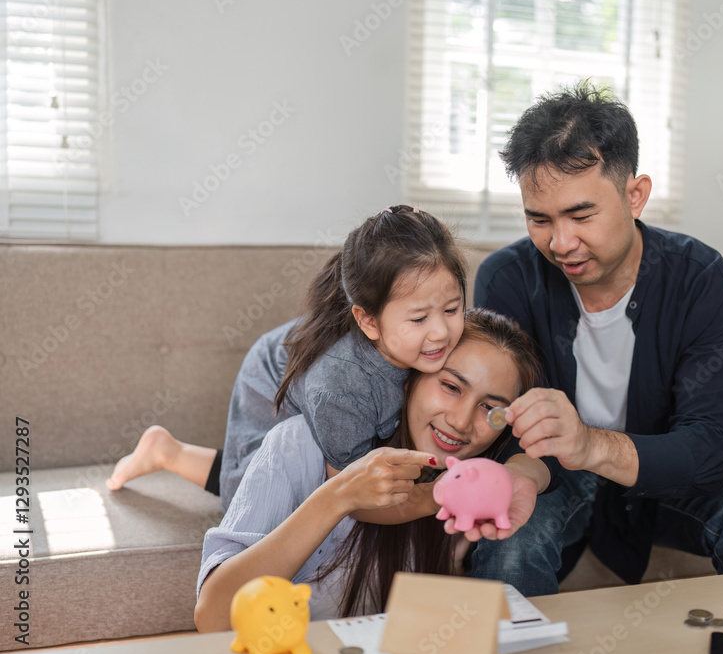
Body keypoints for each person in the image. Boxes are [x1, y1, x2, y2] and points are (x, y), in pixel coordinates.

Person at [468, 82, 723, 595]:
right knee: (509, 539)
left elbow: (711, 448)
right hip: (550, 471)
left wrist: (591, 446)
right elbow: (503, 421)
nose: (560, 243)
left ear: (635, 196)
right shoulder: (508, 279)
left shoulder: (706, 284)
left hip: (661, 466)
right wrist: (522, 473)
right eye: (539, 220)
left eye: (581, 215)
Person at [194, 308, 544, 631]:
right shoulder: (300, 444)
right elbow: (214, 618)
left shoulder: (473, 493)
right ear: (409, 377)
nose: (461, 421)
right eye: (451, 387)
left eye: (490, 409)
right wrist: (338, 496)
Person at [107, 205, 468, 508]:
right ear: (369, 321)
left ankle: (167, 450)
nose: (440, 331)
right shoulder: (340, 386)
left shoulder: (443, 340)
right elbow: (348, 494)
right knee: (263, 492)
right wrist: (434, 498)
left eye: (452, 309)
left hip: (319, 362)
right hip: (273, 373)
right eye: (419, 319)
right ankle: (167, 453)